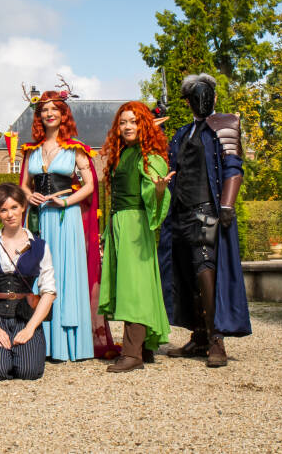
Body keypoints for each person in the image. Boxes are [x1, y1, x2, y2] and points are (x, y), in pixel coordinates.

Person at [159, 73, 251, 368]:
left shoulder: (225, 125)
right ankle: (199, 335)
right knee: (185, 273)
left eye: (205, 92)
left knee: (204, 269)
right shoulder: (182, 133)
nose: (200, 99)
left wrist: (227, 204)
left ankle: (215, 339)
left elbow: (233, 167)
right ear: (187, 102)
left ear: (214, 96)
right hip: (180, 213)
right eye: (194, 95)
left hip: (204, 212)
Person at [19, 90, 118, 361]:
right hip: (40, 218)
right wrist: (30, 196)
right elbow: (24, 186)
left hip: (66, 218)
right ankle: (42, 341)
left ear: (64, 115)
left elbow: (90, 185)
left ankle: (70, 343)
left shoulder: (76, 149)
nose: (49, 113)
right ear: (39, 116)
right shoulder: (30, 151)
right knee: (40, 274)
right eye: (45, 109)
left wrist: (65, 202)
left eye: (55, 109)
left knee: (66, 273)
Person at [98, 102, 174, 372]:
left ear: (144, 125)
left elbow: (153, 197)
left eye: (133, 121)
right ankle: (144, 347)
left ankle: (132, 354)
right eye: (123, 122)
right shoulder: (123, 154)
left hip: (135, 225)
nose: (127, 126)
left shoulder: (150, 157)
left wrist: (159, 191)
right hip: (119, 223)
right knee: (131, 284)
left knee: (135, 287)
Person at [0, 183, 55, 380]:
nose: (10, 214)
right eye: (3, 210)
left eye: (14, 207)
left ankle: (26, 347)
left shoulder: (40, 246)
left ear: (23, 206)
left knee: (29, 372)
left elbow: (49, 292)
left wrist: (30, 328)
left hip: (26, 316)